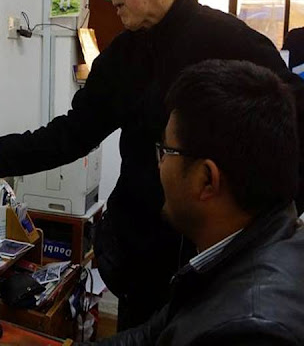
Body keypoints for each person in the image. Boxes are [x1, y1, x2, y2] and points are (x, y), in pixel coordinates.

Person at [0, 0, 304, 331]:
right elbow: (74, 131)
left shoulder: (236, 46)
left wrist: (256, 251)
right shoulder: (123, 56)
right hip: (140, 272)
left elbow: (293, 147)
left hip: (218, 281)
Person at [84, 60, 304, 345]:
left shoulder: (251, 331)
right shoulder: (242, 247)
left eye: (166, 151)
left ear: (207, 179)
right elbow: (149, 337)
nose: (160, 164)